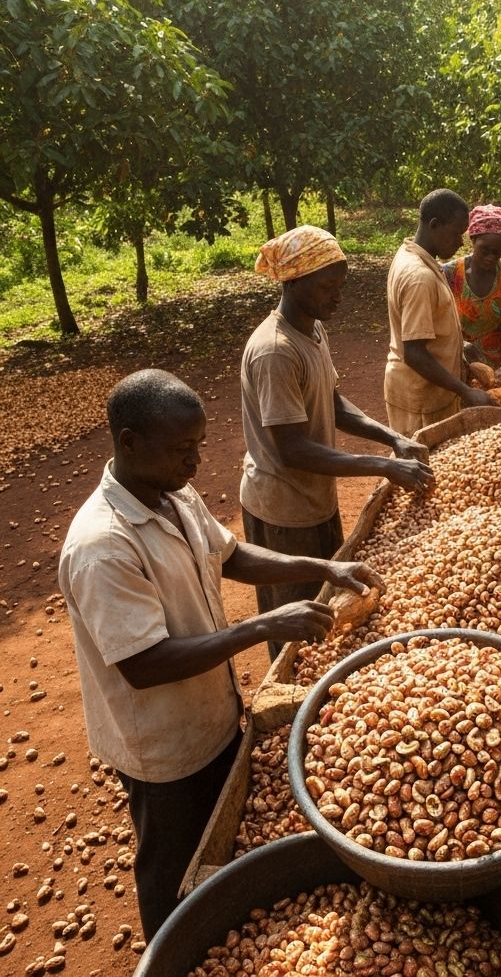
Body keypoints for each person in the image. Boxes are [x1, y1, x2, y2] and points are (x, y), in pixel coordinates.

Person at [58, 369, 383, 941]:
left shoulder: (172, 493)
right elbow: (144, 665)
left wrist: (323, 567)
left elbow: (231, 556)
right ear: (130, 442)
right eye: (183, 448)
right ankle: (168, 951)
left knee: (218, 838)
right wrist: (263, 625)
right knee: (171, 864)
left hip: (210, 712)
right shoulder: (102, 546)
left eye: (199, 444)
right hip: (162, 743)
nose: (196, 460)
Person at [243, 224, 431, 659]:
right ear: (294, 282)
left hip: (315, 499)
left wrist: (392, 438)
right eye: (328, 287)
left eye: (339, 285)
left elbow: (331, 402)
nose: (338, 297)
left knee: (329, 605)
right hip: (283, 510)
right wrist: (384, 465)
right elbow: (293, 450)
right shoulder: (276, 351)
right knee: (298, 624)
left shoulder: (312, 330)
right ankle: (294, 694)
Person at [384, 188, 495, 437]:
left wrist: (460, 346)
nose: (460, 243)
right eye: (456, 233)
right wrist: (465, 391)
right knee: (422, 457)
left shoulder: (415, 257)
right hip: (420, 400)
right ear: (434, 225)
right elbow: (414, 353)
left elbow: (425, 326)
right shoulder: (419, 277)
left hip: (425, 394)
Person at [442, 203, 501, 405]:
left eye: (498, 252)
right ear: (473, 239)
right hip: (464, 366)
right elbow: (439, 325)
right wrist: (462, 346)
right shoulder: (450, 274)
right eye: (485, 250)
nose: (491, 257)